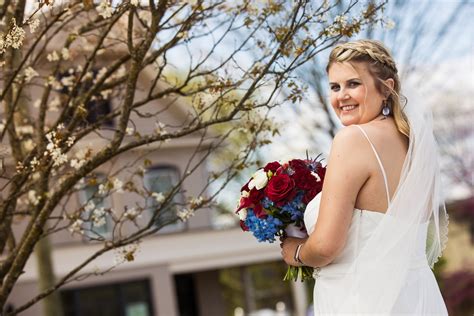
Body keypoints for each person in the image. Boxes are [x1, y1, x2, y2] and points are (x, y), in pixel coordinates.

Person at [280, 40, 448, 315]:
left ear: (387, 88)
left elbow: (324, 247)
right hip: (417, 296)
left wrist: (294, 251)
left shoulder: (353, 139)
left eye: (353, 84)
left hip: (361, 299)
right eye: (335, 87)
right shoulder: (416, 146)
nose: (341, 96)